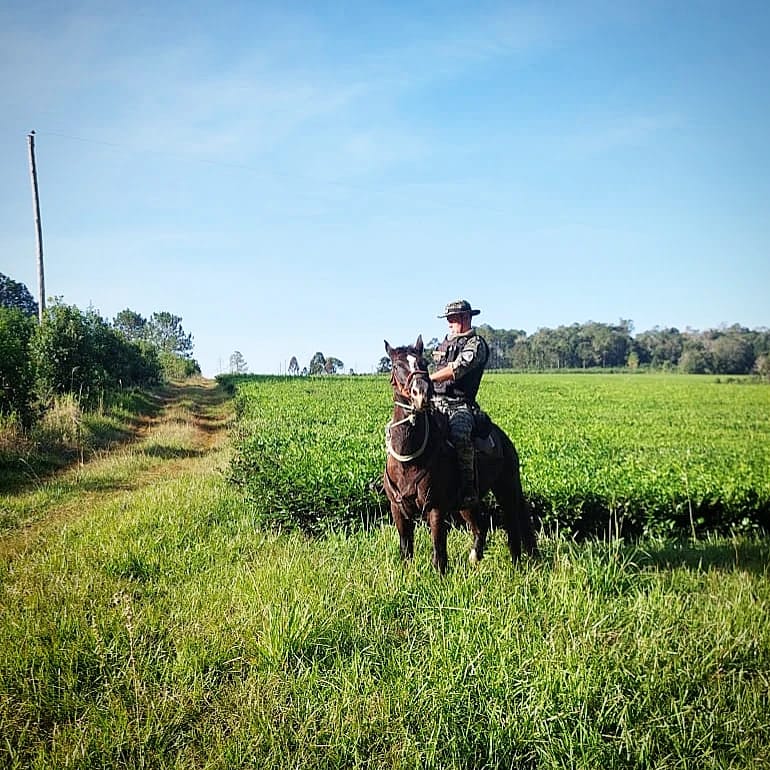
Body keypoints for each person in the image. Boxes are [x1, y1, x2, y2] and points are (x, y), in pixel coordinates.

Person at [430, 299, 489, 510]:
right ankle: (390, 482)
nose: (449, 323)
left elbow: (457, 368)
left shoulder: (476, 344)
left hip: (460, 404)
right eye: (448, 319)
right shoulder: (443, 343)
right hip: (434, 401)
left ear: (466, 318)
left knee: (460, 433)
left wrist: (430, 378)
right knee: (400, 426)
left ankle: (468, 488)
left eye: (453, 319)